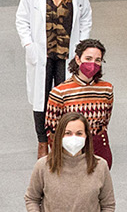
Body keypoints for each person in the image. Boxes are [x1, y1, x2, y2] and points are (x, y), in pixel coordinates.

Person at [14, 0, 93, 157]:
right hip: (42, 54)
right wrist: (29, 45)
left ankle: (62, 139)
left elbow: (86, 17)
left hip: (67, 54)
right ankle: (42, 141)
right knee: (41, 97)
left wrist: (82, 45)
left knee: (65, 97)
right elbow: (22, 20)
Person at [44, 39, 115, 167]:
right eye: (88, 58)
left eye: (97, 60)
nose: (92, 63)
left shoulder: (106, 89)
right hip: (71, 149)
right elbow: (51, 130)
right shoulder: (60, 92)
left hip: (98, 148)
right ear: (78, 59)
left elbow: (105, 121)